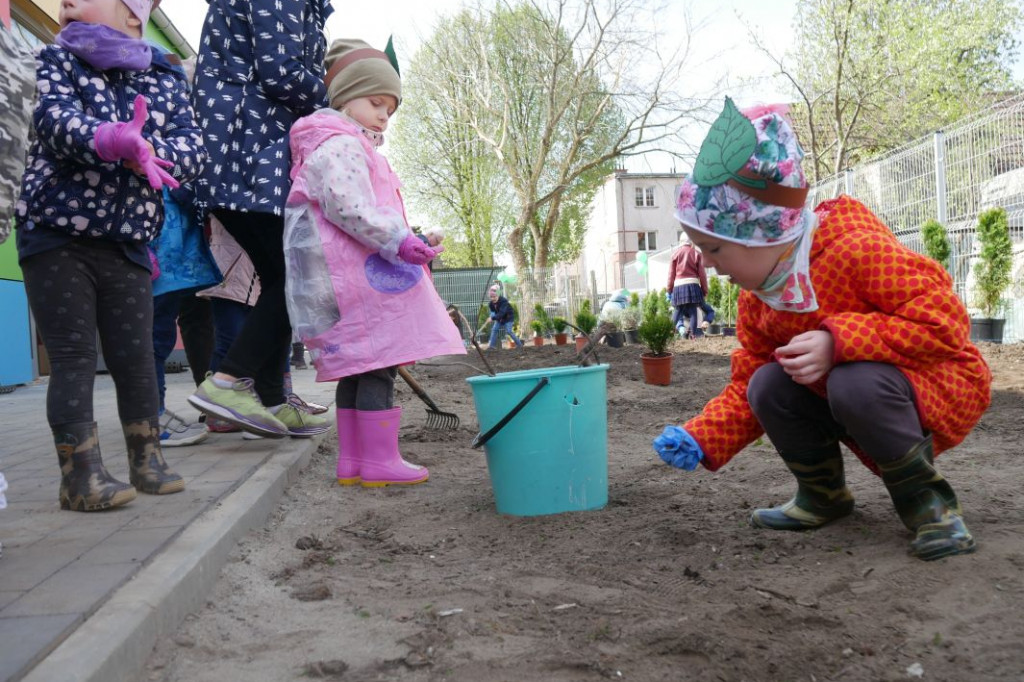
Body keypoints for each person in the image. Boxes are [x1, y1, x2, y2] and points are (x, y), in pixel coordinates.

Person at [652, 99, 991, 561]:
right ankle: (823, 495)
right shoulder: (760, 295)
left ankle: (929, 506)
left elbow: (945, 322)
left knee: (856, 380)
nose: (706, 264)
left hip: (936, 381)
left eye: (714, 249)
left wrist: (839, 342)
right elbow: (746, 382)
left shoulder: (855, 251)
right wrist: (703, 435)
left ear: (763, 234)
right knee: (768, 380)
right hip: (854, 389)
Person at [15, 0, 205, 511]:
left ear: (132, 14)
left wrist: (155, 152)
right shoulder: (55, 59)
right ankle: (80, 475)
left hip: (127, 240)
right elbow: (54, 120)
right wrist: (112, 137)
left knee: (137, 355)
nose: (67, 2)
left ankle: (147, 459)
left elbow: (192, 146)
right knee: (75, 355)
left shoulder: (165, 77)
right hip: (56, 232)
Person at [283, 38, 466, 486]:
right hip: (359, 280)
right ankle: (380, 462)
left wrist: (410, 236)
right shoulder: (342, 145)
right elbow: (352, 209)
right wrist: (400, 241)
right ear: (345, 97)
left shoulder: (330, 144)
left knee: (358, 369)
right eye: (376, 102)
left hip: (347, 275)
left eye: (391, 108)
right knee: (380, 365)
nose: (385, 114)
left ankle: (354, 462)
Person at [187, 0, 332, 439]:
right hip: (248, 154)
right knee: (296, 276)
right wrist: (339, 103)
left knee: (280, 277)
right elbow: (282, 71)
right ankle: (228, 382)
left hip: (242, 154)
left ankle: (271, 398)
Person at [667, 234, 715, 339]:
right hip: (693, 285)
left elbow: (671, 274)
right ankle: (693, 336)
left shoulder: (675, 254)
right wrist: (704, 290)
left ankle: (667, 333)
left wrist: (669, 289)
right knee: (693, 310)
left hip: (679, 286)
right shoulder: (697, 254)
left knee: (678, 310)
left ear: (680, 242)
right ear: (691, 242)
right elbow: (702, 275)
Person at [486, 284, 524, 349]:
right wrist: (490, 317)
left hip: (508, 318)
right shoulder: (491, 304)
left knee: (509, 331)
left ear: (498, 295)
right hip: (499, 319)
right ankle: (491, 346)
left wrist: (492, 318)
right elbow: (493, 312)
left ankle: (519, 345)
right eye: (491, 297)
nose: (493, 299)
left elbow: (502, 313)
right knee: (494, 330)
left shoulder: (504, 301)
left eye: (494, 297)